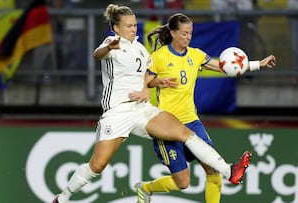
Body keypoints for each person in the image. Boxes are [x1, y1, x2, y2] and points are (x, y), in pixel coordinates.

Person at [52, 4, 251, 203]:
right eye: (128, 26)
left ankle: (229, 170)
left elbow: (146, 79)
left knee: (185, 133)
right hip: (118, 113)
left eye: (134, 24)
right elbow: (97, 54)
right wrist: (107, 47)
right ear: (116, 28)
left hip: (141, 110)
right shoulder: (113, 42)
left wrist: (155, 83)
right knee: (97, 165)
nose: (133, 28)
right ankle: (63, 198)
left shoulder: (140, 49)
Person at [134, 13, 276, 203]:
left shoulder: (196, 55)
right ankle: (146, 188)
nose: (188, 37)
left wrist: (258, 64)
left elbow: (224, 67)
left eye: (190, 33)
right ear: (174, 33)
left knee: (213, 171)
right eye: (184, 33)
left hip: (191, 121)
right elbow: (145, 82)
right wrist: (155, 83)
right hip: (166, 125)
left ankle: (227, 173)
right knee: (182, 182)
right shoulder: (159, 57)